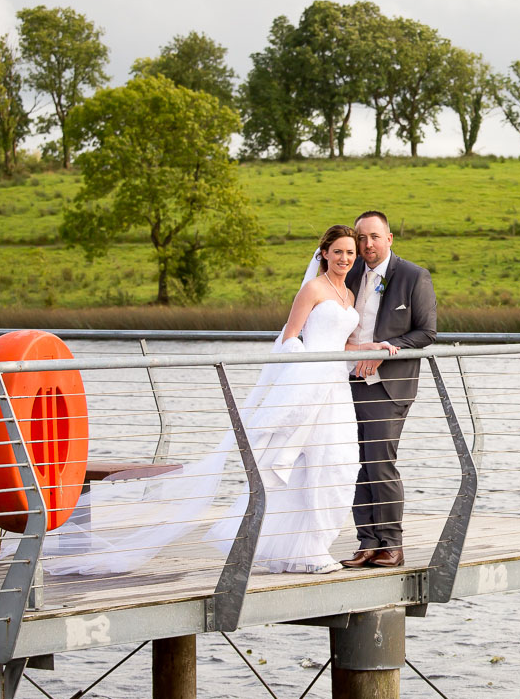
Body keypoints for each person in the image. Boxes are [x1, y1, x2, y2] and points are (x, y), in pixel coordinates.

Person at [31, 225, 397, 576]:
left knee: (340, 466)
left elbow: (343, 345)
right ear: (324, 253)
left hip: (334, 392)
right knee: (289, 469)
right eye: (339, 252)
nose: (346, 258)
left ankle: (303, 548)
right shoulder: (313, 290)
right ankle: (302, 551)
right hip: (306, 387)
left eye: (350, 253)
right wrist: (303, 379)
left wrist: (373, 346)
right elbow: (290, 338)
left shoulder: (347, 296)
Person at [340, 210, 437, 569]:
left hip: (388, 385)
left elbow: (426, 333)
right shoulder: (348, 274)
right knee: (355, 464)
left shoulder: (413, 276)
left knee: (380, 461)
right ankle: (367, 542)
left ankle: (392, 543)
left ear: (389, 238)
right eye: (361, 238)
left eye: (374, 237)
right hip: (346, 381)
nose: (367, 245)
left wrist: (384, 350)